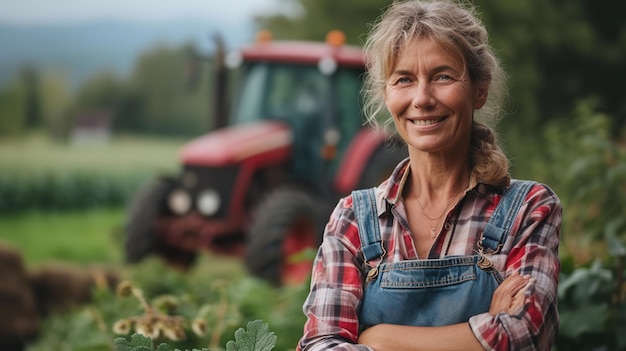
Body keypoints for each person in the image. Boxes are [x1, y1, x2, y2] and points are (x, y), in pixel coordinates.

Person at [297, 0, 562, 350]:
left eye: (442, 76)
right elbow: (320, 345)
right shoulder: (354, 220)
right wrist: (481, 334)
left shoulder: (529, 209)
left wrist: (381, 338)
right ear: (387, 94)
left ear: (479, 89)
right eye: (404, 79)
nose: (422, 98)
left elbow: (524, 336)